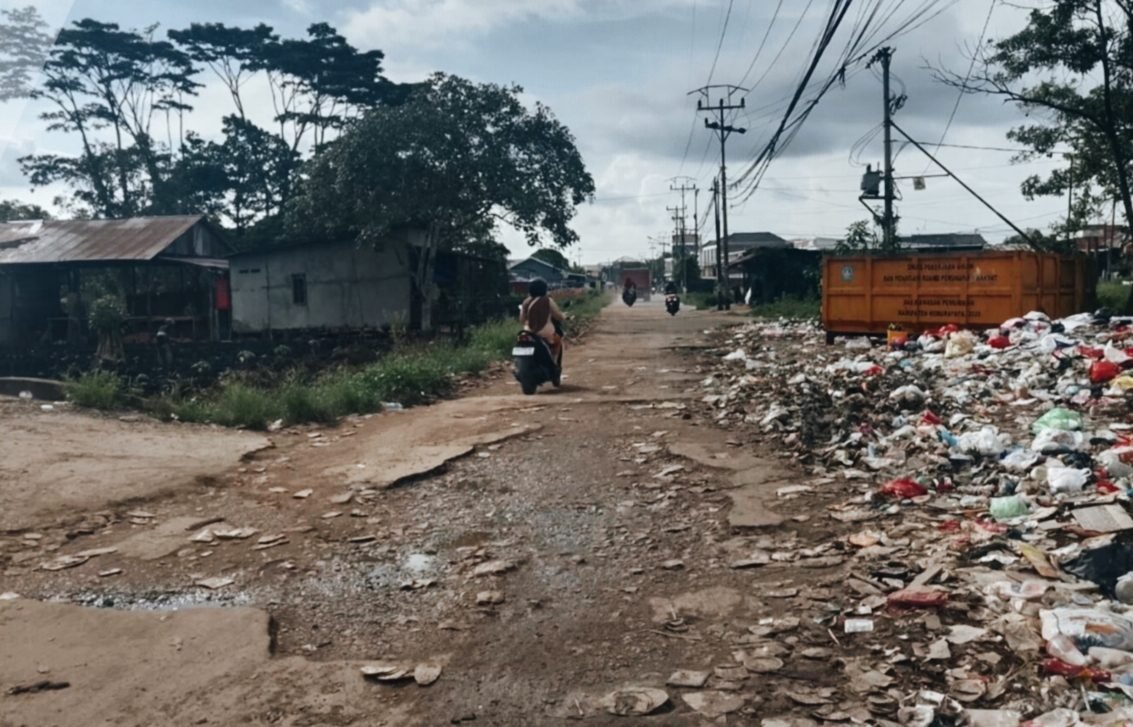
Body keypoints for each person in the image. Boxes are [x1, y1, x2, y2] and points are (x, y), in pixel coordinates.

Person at [520, 278, 565, 364]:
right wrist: (563, 316)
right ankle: (554, 364)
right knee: (557, 341)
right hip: (545, 332)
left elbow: (522, 319)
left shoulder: (526, 301)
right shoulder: (547, 300)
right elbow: (558, 316)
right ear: (544, 289)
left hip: (528, 332)